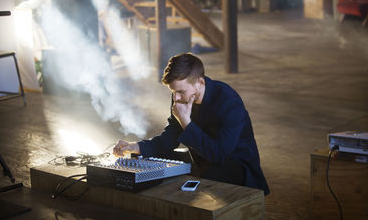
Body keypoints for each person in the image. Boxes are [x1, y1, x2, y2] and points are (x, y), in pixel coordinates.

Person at [113, 53, 269, 195]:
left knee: (211, 176)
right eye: (173, 91)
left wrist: (186, 121)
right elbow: (170, 137)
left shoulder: (228, 101)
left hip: (235, 164)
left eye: (181, 91)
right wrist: (137, 147)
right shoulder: (180, 97)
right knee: (150, 158)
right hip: (201, 158)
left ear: (200, 82)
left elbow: (219, 154)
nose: (176, 97)